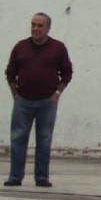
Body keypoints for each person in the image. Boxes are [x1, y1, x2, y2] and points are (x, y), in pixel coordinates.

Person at [5, 13, 72, 188]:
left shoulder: (58, 48)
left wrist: (57, 93)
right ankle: (15, 176)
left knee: (44, 139)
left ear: (48, 28)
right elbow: (10, 72)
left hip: (47, 103)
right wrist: (15, 95)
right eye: (33, 24)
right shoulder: (21, 47)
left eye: (40, 26)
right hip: (23, 101)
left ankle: (42, 178)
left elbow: (67, 73)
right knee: (18, 138)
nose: (35, 28)